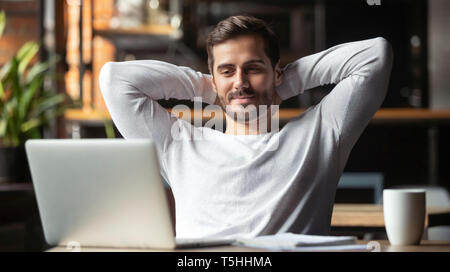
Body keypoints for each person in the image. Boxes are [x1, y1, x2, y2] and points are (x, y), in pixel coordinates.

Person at [99, 15, 393, 239]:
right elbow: (115, 81)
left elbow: (375, 56)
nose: (240, 81)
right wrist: (210, 89)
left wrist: (283, 83)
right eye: (227, 71)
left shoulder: (320, 133)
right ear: (213, 79)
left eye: (253, 68)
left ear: (276, 72)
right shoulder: (177, 144)